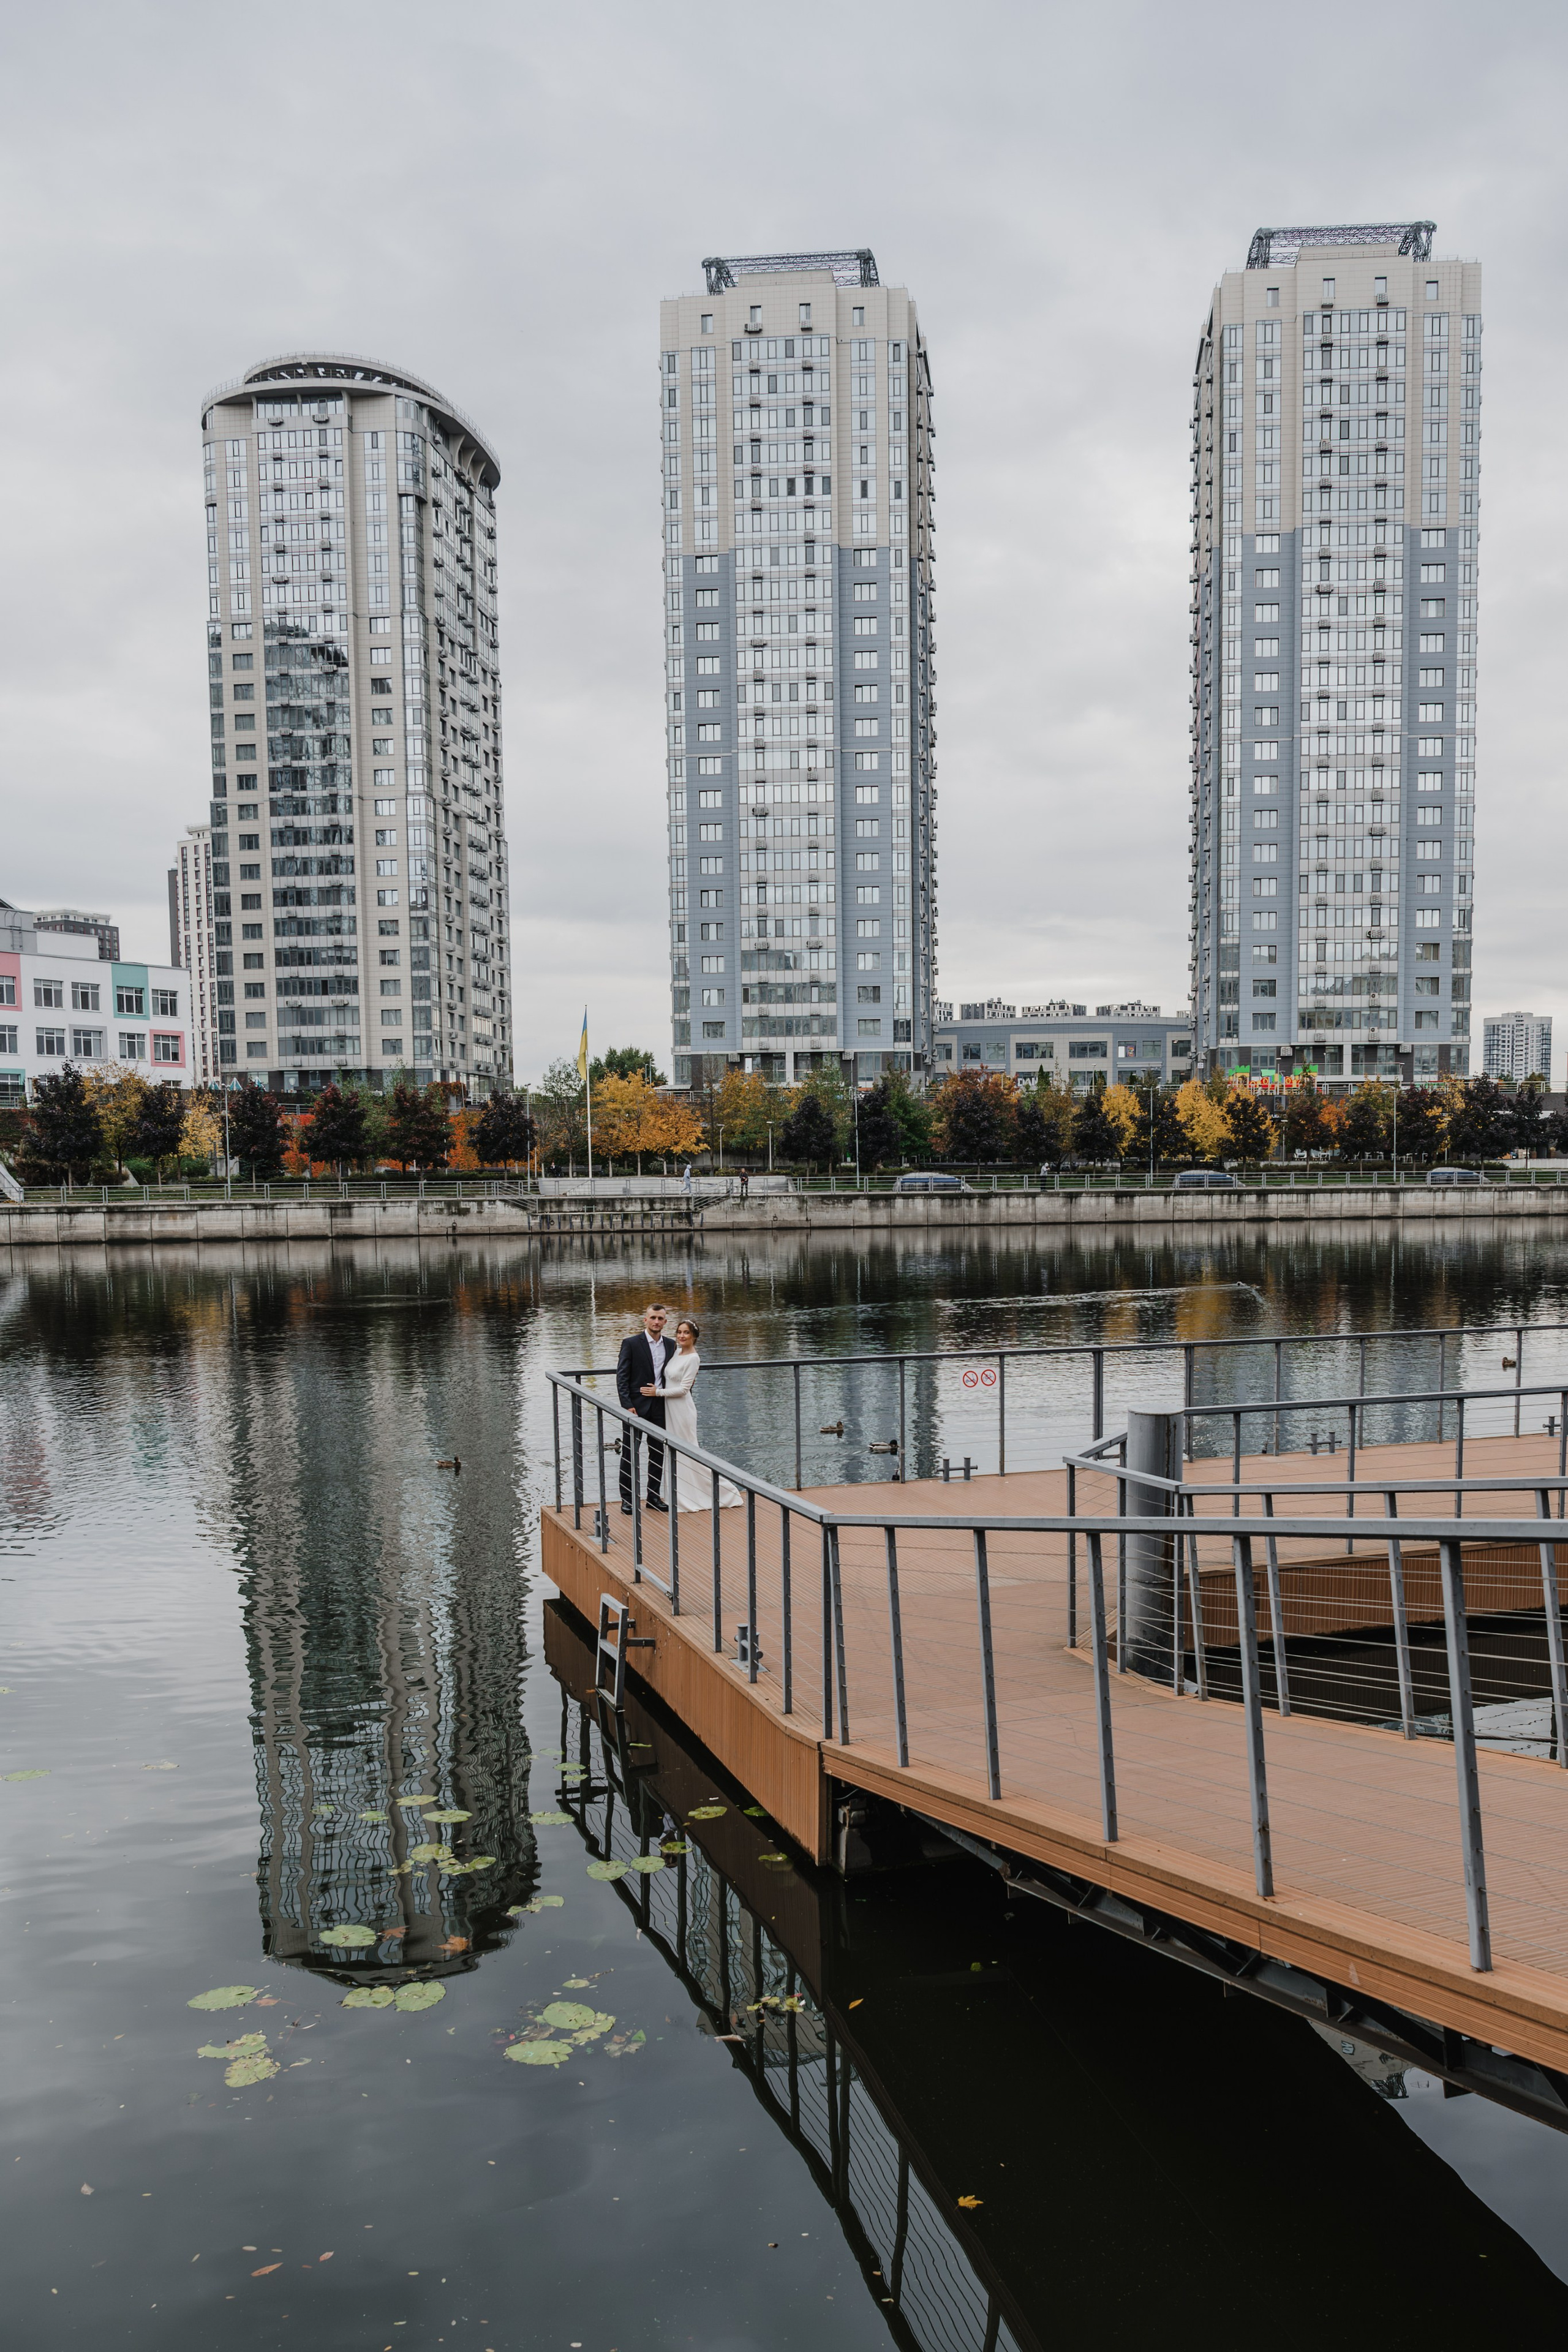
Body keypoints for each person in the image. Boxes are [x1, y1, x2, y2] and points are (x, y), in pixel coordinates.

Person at [644, 1319, 744, 1512]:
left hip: (682, 1410)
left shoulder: (693, 1358)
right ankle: (678, 1496)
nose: (682, 1336)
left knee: (688, 1452)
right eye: (679, 1332)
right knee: (675, 1451)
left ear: (694, 1337)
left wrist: (658, 1392)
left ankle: (726, 1492)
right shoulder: (676, 1353)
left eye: (686, 1333)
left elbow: (684, 1390)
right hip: (669, 1409)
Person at [616, 1303, 670, 1514]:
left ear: (665, 1322)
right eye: (653, 1318)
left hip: (660, 1407)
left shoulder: (671, 1345)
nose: (656, 1321)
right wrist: (627, 1405)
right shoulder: (631, 1343)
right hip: (635, 1408)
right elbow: (622, 1377)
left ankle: (653, 1497)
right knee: (630, 1453)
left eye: (660, 1318)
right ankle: (628, 1499)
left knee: (657, 1453)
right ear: (646, 1320)